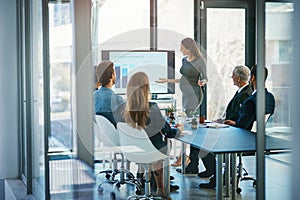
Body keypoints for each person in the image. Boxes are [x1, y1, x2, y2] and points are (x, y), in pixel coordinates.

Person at [119, 72, 182, 197]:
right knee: (164, 143)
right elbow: (168, 132)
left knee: (151, 143)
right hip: (152, 152)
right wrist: (179, 130)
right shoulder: (152, 107)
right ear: (146, 88)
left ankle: (142, 178)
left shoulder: (122, 109)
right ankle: (161, 188)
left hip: (132, 151)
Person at [156, 37, 208, 173]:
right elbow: (184, 79)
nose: (180, 50)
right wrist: (167, 80)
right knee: (190, 127)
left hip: (195, 96)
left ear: (188, 47)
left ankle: (189, 160)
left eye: (182, 47)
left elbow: (205, 77)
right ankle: (189, 161)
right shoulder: (185, 60)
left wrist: (202, 82)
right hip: (185, 96)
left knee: (190, 127)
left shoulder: (200, 61)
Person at [199, 65, 253, 189]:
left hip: (236, 132)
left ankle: (217, 176)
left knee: (203, 145)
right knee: (201, 142)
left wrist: (231, 123)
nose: (231, 78)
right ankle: (215, 173)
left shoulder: (245, 94)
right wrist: (220, 121)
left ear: (238, 78)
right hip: (230, 128)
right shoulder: (242, 92)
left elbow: (241, 118)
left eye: (233, 76)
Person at [224, 64, 275, 130]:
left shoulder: (250, 101)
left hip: (247, 137)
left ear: (253, 78)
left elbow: (242, 125)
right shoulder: (271, 97)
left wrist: (234, 123)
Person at [94, 61, 124, 127]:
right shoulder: (118, 100)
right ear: (112, 75)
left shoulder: (92, 97)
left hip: (100, 136)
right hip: (115, 135)